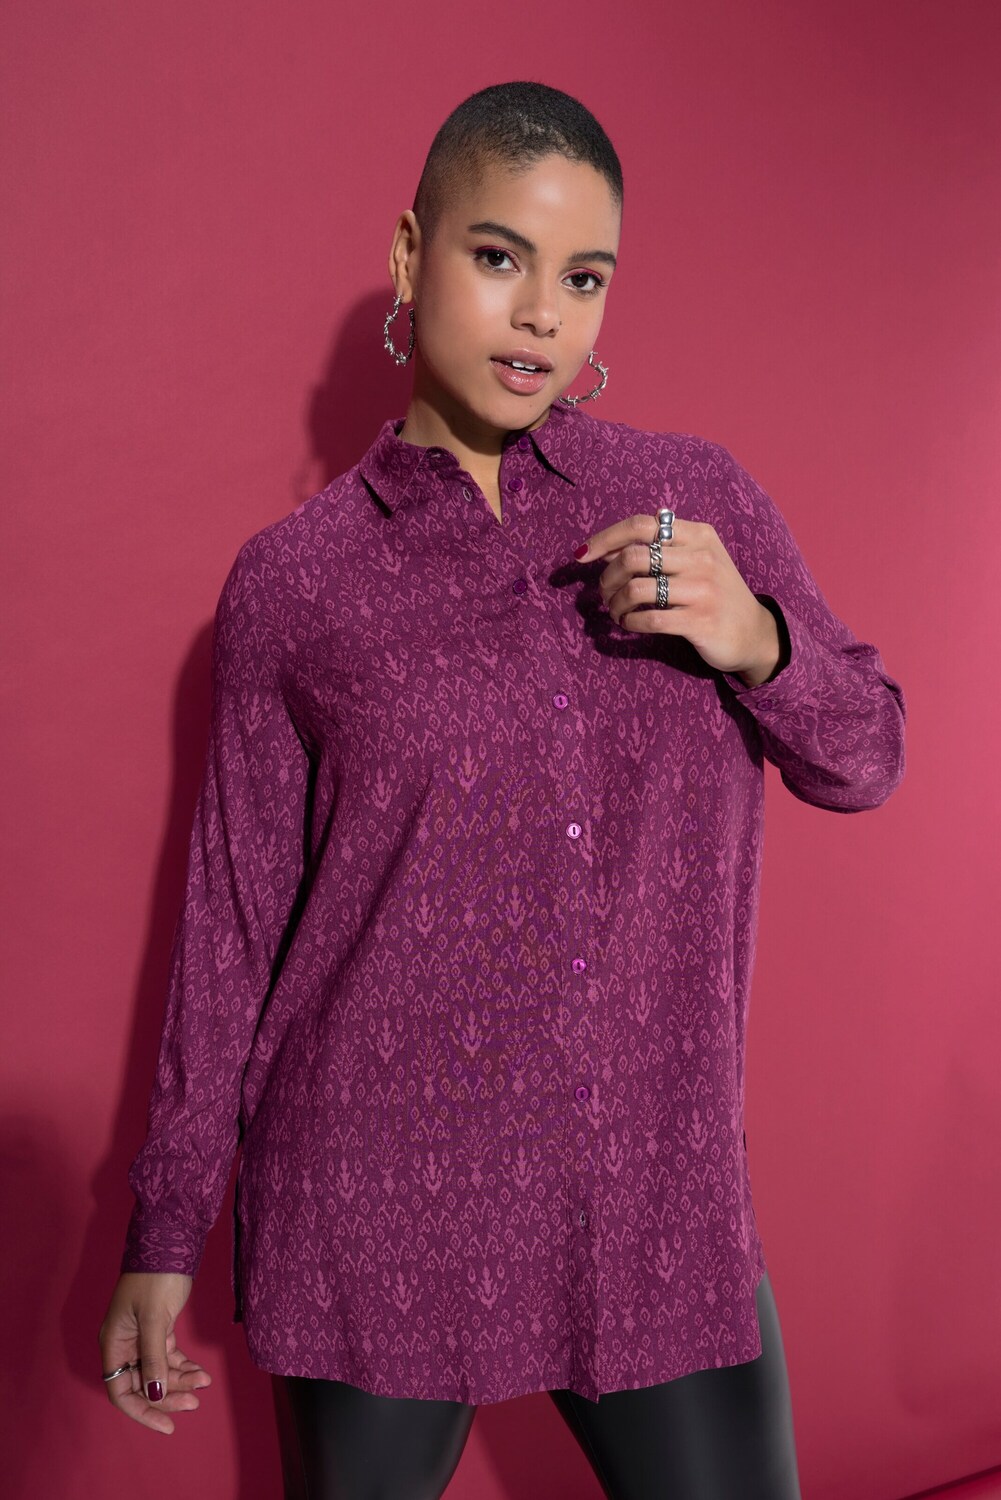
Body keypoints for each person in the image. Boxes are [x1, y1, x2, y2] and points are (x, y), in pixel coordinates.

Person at [99, 80, 906, 1498]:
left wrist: (756, 638)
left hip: (646, 1195)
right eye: (498, 257)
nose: (541, 315)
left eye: (583, 278)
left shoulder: (692, 506)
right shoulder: (294, 584)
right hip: (374, 1202)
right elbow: (233, 928)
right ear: (411, 254)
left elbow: (867, 758)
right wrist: (164, 1232)